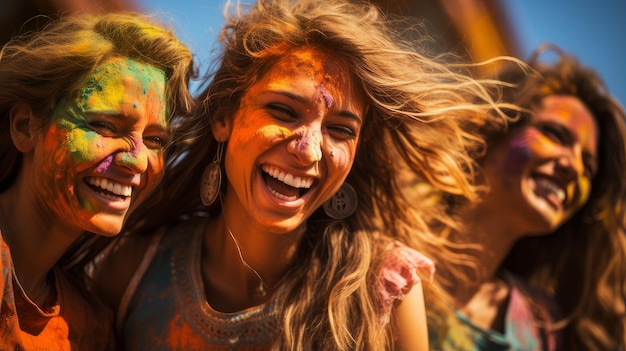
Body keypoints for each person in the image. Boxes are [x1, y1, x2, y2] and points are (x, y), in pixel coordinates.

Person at [91, 0, 518, 349]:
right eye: (283, 111)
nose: (308, 150)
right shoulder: (132, 269)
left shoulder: (382, 293)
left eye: (340, 130)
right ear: (224, 115)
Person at [0, 12, 195, 350]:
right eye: (105, 126)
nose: (136, 159)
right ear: (24, 127)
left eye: (155, 140)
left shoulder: (89, 330)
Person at [428, 45, 626, 351]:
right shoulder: (377, 253)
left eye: (588, 167)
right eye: (556, 135)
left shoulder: (541, 328)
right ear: (493, 127)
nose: (573, 168)